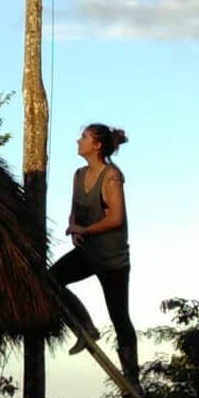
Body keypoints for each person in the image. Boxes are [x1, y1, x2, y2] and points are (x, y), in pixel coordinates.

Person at [54, 123, 135, 378]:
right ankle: (86, 328)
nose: (79, 141)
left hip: (112, 259)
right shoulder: (78, 174)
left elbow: (116, 219)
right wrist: (74, 227)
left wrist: (85, 231)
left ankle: (132, 375)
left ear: (97, 145)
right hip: (89, 254)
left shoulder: (111, 176)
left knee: (119, 316)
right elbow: (75, 210)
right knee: (49, 281)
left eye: (84, 137)